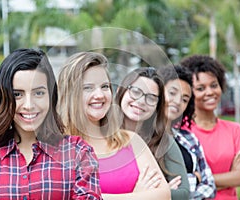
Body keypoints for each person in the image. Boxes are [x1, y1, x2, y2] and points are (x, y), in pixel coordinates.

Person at [0, 48, 102, 199]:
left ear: (51, 95)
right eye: (18, 94)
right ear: (4, 97)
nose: (29, 105)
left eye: (38, 93)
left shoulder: (79, 152)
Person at [57, 51, 171, 200]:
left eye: (104, 86)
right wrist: (137, 196)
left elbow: (164, 195)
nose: (99, 95)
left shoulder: (131, 140)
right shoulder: (56, 147)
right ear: (70, 93)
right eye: (88, 88)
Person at [181, 54, 240, 200]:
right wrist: (232, 176)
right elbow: (183, 184)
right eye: (200, 88)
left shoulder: (233, 129)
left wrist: (201, 179)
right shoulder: (181, 131)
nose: (210, 92)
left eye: (214, 85)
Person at [115, 67, 190, 200]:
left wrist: (151, 193)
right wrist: (153, 193)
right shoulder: (100, 135)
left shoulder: (162, 140)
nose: (141, 101)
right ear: (121, 91)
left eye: (151, 98)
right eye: (135, 92)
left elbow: (183, 193)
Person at [158, 65, 216, 199]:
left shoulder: (189, 139)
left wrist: (182, 193)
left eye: (184, 99)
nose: (178, 101)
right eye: (172, 93)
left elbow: (210, 185)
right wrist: (194, 179)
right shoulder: (144, 137)